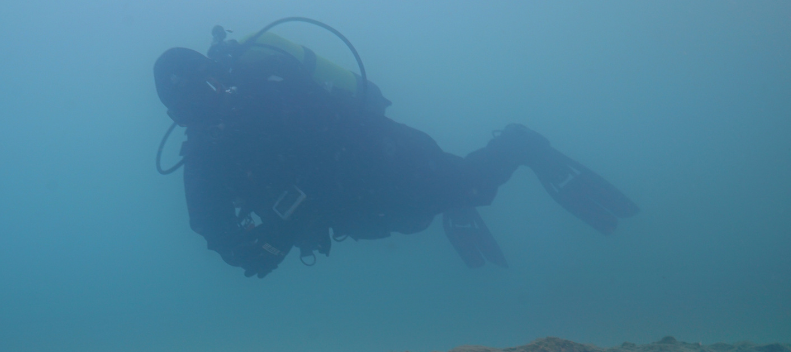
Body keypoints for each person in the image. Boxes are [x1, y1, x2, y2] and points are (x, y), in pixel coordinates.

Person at [153, 20, 639, 278]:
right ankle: (454, 202)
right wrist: (241, 251)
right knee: (413, 220)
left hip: (391, 164)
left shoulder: (273, 90)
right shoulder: (203, 151)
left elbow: (332, 149)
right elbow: (208, 224)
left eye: (208, 94)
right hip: (359, 215)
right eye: (188, 110)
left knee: (472, 187)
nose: (205, 112)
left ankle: (520, 144)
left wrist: (281, 226)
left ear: (222, 78)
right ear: (177, 118)